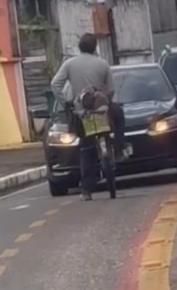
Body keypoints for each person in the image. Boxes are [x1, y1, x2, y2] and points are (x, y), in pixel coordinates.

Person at [49, 33, 126, 200]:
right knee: (119, 114)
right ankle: (120, 147)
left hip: (81, 111)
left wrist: (66, 102)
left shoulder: (69, 64)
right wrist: (104, 101)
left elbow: (55, 84)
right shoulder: (103, 64)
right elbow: (111, 90)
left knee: (86, 148)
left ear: (79, 47)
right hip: (101, 109)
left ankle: (86, 190)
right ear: (95, 47)